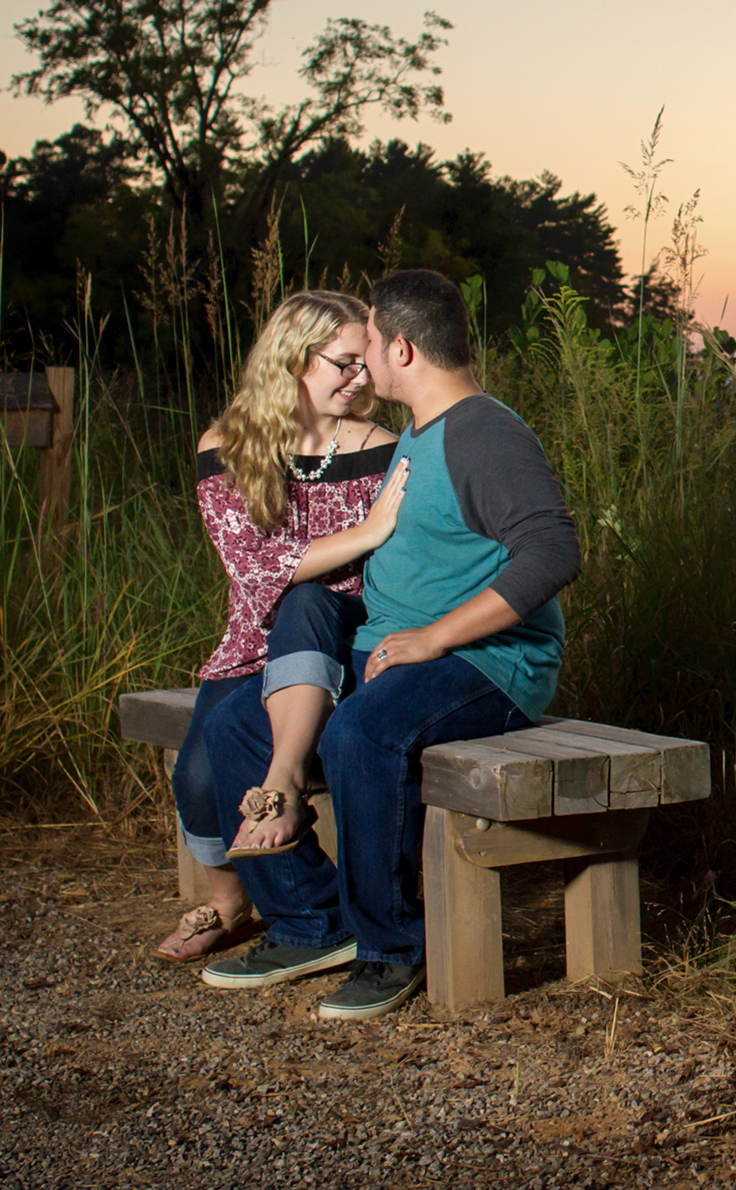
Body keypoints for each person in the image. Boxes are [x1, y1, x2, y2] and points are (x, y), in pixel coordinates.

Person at [201, 269, 580, 1020]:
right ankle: (313, 921)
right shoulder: (422, 427)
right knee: (236, 724)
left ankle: (390, 947)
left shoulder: (482, 431)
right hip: (396, 646)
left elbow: (553, 552)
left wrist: (433, 638)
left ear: (402, 349)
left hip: (488, 664)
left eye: (368, 341)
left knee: (362, 732)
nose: (361, 357)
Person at [154, 290, 411, 962]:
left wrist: (375, 539)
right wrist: (367, 530)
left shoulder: (381, 447)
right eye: (344, 364)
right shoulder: (228, 445)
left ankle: (315, 902)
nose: (362, 380)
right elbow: (253, 568)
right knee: (200, 777)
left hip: (347, 644)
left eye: (367, 363)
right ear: (294, 359)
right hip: (254, 646)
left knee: (311, 602)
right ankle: (231, 902)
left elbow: (400, 561)